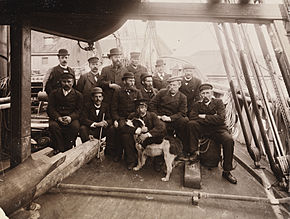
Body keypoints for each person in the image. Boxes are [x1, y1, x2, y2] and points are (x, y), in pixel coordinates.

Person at [187, 83, 237, 184]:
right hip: (203, 130)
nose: (206, 95)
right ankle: (194, 153)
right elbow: (192, 117)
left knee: (228, 140)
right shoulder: (197, 105)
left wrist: (203, 116)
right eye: (203, 93)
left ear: (212, 93)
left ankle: (227, 171)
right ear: (201, 95)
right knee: (191, 124)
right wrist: (213, 117)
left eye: (208, 93)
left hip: (218, 130)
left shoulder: (218, 102)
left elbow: (221, 119)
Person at [120, 99, 166, 170]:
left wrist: (147, 134)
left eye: (142, 107)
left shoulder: (152, 115)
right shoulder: (132, 116)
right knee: (125, 136)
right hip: (136, 139)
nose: (140, 110)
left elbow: (161, 127)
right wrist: (137, 130)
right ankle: (131, 161)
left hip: (149, 138)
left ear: (146, 108)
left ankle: (157, 162)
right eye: (138, 108)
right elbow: (124, 128)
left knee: (160, 135)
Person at [149, 76, 188, 157]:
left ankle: (179, 149)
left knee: (184, 121)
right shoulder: (162, 93)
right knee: (160, 127)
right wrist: (158, 116)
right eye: (170, 85)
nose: (172, 87)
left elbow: (182, 112)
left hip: (173, 119)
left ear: (179, 85)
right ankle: (158, 155)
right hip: (161, 118)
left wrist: (170, 118)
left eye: (174, 85)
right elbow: (152, 104)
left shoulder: (182, 97)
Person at [111, 72, 143, 161]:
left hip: (134, 118)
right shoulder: (118, 92)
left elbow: (141, 107)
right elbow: (113, 108)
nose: (132, 83)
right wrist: (116, 119)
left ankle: (130, 158)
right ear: (124, 81)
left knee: (125, 135)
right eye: (130, 81)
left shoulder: (137, 92)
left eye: (133, 81)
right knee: (121, 127)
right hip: (122, 118)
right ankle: (120, 154)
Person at [47, 72, 83, 152]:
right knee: (53, 126)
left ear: (73, 82)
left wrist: (70, 117)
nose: (66, 84)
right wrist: (58, 117)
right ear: (60, 82)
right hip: (58, 118)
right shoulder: (54, 93)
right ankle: (60, 149)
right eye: (64, 82)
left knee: (75, 126)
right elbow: (50, 108)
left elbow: (79, 110)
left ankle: (68, 148)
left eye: (69, 82)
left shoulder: (78, 95)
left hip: (71, 118)